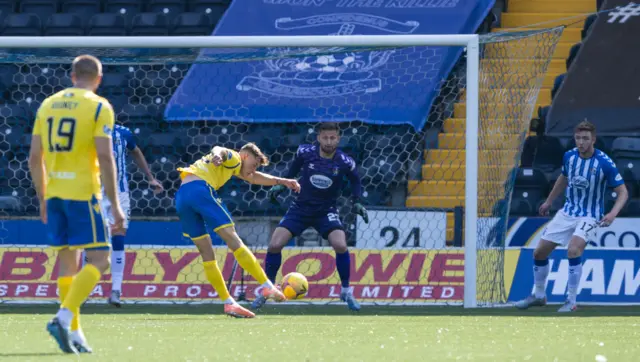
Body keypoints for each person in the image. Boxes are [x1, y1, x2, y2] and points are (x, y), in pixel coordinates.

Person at [29, 54, 124, 354]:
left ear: (72, 76)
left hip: (55, 193)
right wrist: (116, 204)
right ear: (98, 78)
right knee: (101, 260)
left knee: (69, 262)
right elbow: (106, 157)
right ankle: (63, 316)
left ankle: (74, 333)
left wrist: (42, 197)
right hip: (83, 194)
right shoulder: (99, 106)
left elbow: (34, 158)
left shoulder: (48, 104)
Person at [252, 122, 369, 312]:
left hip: (326, 211)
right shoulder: (305, 153)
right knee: (274, 245)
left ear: (338, 139)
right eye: (325, 137)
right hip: (300, 208)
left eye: (333, 138)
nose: (329, 141)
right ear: (318, 138)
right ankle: (268, 289)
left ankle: (346, 291)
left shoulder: (345, 161)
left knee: (340, 245)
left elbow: (356, 180)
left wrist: (357, 201)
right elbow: (293, 169)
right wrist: (282, 185)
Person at [175, 142, 300, 318]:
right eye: (254, 165)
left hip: (182, 196)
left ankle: (228, 303)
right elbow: (221, 149)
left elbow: (254, 178)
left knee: (207, 254)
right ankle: (266, 286)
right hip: (200, 191)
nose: (252, 170)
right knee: (234, 240)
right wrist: (217, 154)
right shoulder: (235, 157)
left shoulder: (234, 167)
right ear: (246, 155)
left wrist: (283, 181)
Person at [515, 120, 628, 312]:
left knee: (573, 250)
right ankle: (539, 296)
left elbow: (623, 192)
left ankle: (571, 300)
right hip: (567, 212)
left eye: (585, 138)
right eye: (578, 138)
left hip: (590, 215)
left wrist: (612, 213)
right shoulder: (569, 157)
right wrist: (549, 201)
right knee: (539, 253)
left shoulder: (604, 163)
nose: (581, 142)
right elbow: (563, 178)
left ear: (593, 140)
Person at [102, 124, 164, 308]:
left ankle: (116, 290)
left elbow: (136, 151)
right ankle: (82, 290)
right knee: (92, 240)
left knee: (118, 237)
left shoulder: (124, 133)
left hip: (120, 194)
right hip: (95, 192)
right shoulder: (88, 130)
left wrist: (150, 177)